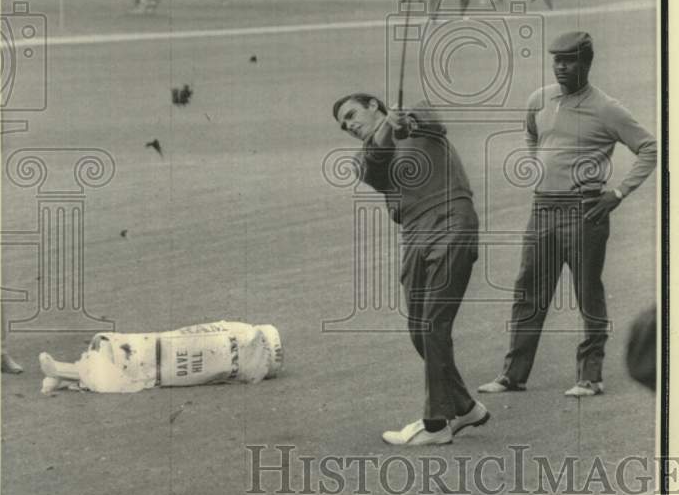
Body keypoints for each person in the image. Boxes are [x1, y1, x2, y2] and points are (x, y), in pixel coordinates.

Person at [478, 31, 657, 398]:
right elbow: (532, 135)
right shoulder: (540, 99)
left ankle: (590, 376)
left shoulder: (607, 108)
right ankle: (513, 375)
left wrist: (618, 193)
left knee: (587, 292)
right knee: (528, 290)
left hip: (585, 211)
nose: (561, 66)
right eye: (557, 60)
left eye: (570, 60)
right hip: (542, 207)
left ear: (586, 63)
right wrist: (541, 168)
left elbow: (650, 148)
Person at [333, 93, 489, 445]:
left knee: (433, 323)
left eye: (352, 115)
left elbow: (430, 123)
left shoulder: (416, 112)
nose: (349, 125)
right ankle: (465, 407)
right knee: (419, 328)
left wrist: (404, 122)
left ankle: (435, 424)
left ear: (374, 104)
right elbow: (378, 155)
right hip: (415, 233)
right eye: (344, 125)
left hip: (451, 217)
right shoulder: (363, 160)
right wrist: (390, 129)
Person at [38, 320, 282, 395]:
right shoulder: (248, 355)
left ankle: (63, 373)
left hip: (166, 360)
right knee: (132, 359)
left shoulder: (246, 348)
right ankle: (65, 374)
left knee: (132, 364)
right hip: (166, 353)